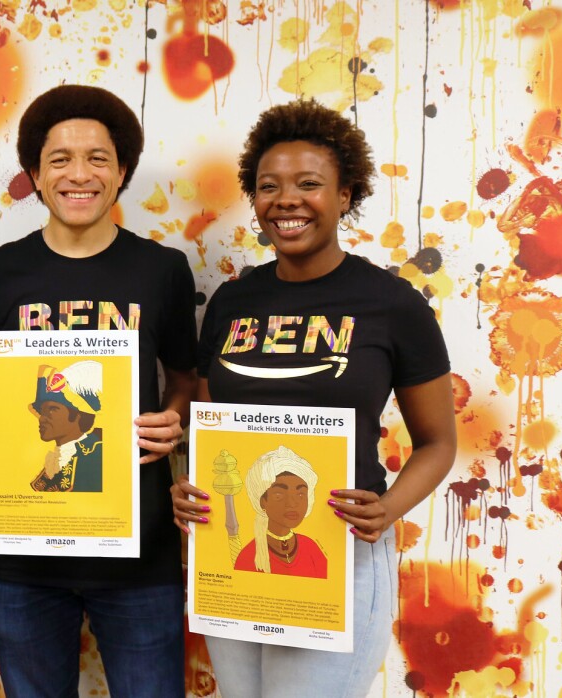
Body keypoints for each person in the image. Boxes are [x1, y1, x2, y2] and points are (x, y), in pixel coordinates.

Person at [170, 99, 456, 697]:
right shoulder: (231, 302)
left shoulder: (393, 304)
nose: (287, 200)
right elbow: (206, 421)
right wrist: (189, 486)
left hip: (342, 548)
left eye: (309, 184)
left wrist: (389, 508)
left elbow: (438, 443)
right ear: (254, 199)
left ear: (346, 195)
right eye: (268, 186)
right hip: (235, 547)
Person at [0, 85, 198, 697]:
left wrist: (175, 420)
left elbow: (187, 383)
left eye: (97, 158)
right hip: (23, 555)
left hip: (139, 549)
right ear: (35, 174)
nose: (78, 174)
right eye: (59, 159)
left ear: (122, 172)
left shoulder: (162, 269)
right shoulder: (1, 270)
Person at [231, 446, 326, 579]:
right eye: (279, 494)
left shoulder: (311, 549)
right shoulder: (248, 557)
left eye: (300, 494)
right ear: (262, 501)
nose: (292, 503)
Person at [29, 361, 104, 493]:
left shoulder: (97, 455)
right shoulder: (55, 460)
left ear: (78, 415)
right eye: (42, 411)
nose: (41, 418)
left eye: (52, 409)